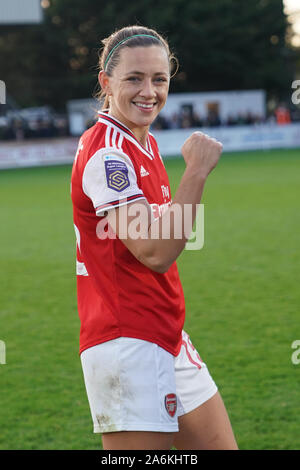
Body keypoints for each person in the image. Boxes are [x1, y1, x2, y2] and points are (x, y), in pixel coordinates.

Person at [71, 25, 238, 451]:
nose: (149, 91)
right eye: (134, 78)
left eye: (159, 79)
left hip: (166, 335)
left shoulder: (139, 143)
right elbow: (156, 251)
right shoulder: (109, 152)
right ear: (106, 82)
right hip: (128, 344)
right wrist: (197, 171)